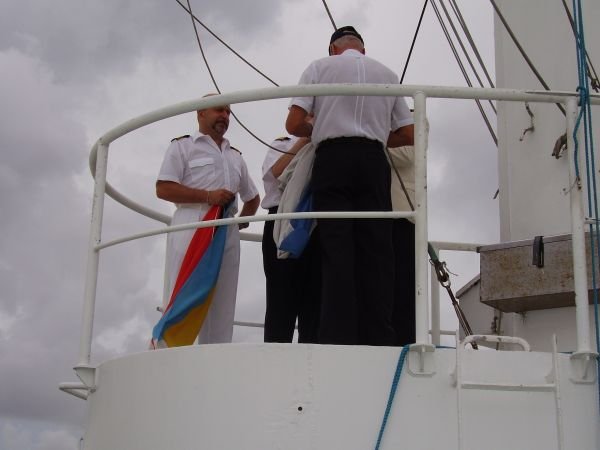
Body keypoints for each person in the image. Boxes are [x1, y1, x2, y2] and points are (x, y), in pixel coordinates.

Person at [286, 26, 414, 345]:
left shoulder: (319, 68)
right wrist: (374, 133)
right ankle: (378, 333)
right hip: (373, 161)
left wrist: (320, 127)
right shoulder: (387, 74)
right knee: (377, 248)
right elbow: (409, 134)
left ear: (333, 49)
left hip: (333, 159)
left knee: (336, 247)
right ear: (363, 49)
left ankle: (338, 333)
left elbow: (293, 123)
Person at [156, 99, 260, 344]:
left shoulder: (235, 156)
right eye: (219, 109)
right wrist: (208, 196)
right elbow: (163, 188)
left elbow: (253, 197)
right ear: (201, 113)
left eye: (228, 112)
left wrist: (239, 222)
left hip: (226, 230)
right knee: (184, 293)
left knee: (224, 301)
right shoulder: (182, 147)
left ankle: (216, 357)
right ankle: (170, 354)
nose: (225, 115)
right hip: (192, 222)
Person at [261, 136, 321, 343]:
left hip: (317, 221)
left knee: (314, 300)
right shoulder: (281, 144)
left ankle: (310, 357)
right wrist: (304, 140)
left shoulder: (328, 143)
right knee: (281, 298)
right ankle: (276, 357)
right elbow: (277, 173)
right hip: (282, 218)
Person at [388, 145, 416, 346]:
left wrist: (366, 143)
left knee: (402, 286)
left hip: (401, 212)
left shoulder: (414, 126)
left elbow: (408, 155)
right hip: (371, 212)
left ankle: (402, 343)